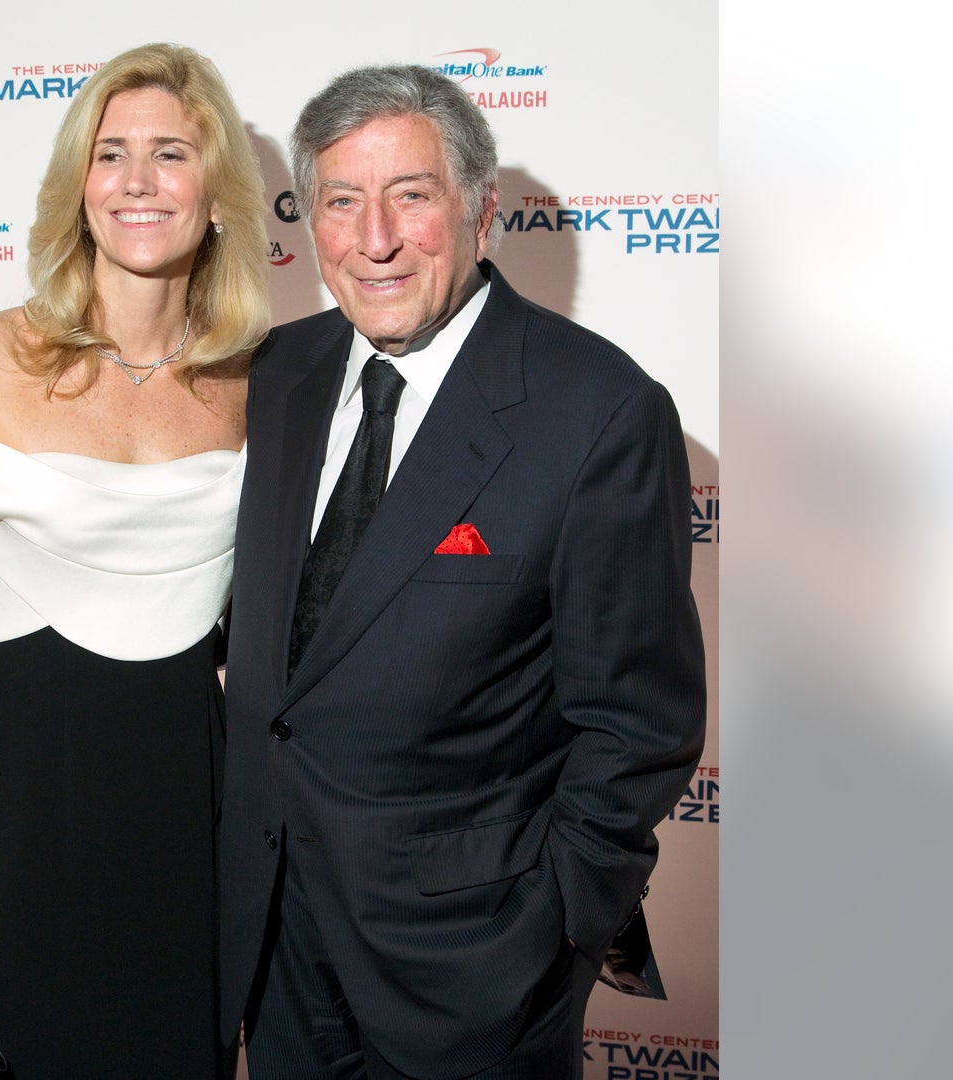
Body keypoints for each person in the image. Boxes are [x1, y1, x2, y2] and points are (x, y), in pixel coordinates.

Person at [217, 65, 707, 1079]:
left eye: (411, 196)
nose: (375, 238)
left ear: (481, 211)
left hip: (477, 972)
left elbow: (640, 724)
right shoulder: (274, 377)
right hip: (278, 950)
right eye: (342, 203)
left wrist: (552, 929)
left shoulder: (598, 413)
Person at [0, 42, 268, 1079]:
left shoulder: (262, 383)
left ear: (218, 195)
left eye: (171, 154)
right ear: (79, 189)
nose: (137, 181)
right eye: (111, 155)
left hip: (190, 809)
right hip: (20, 804)